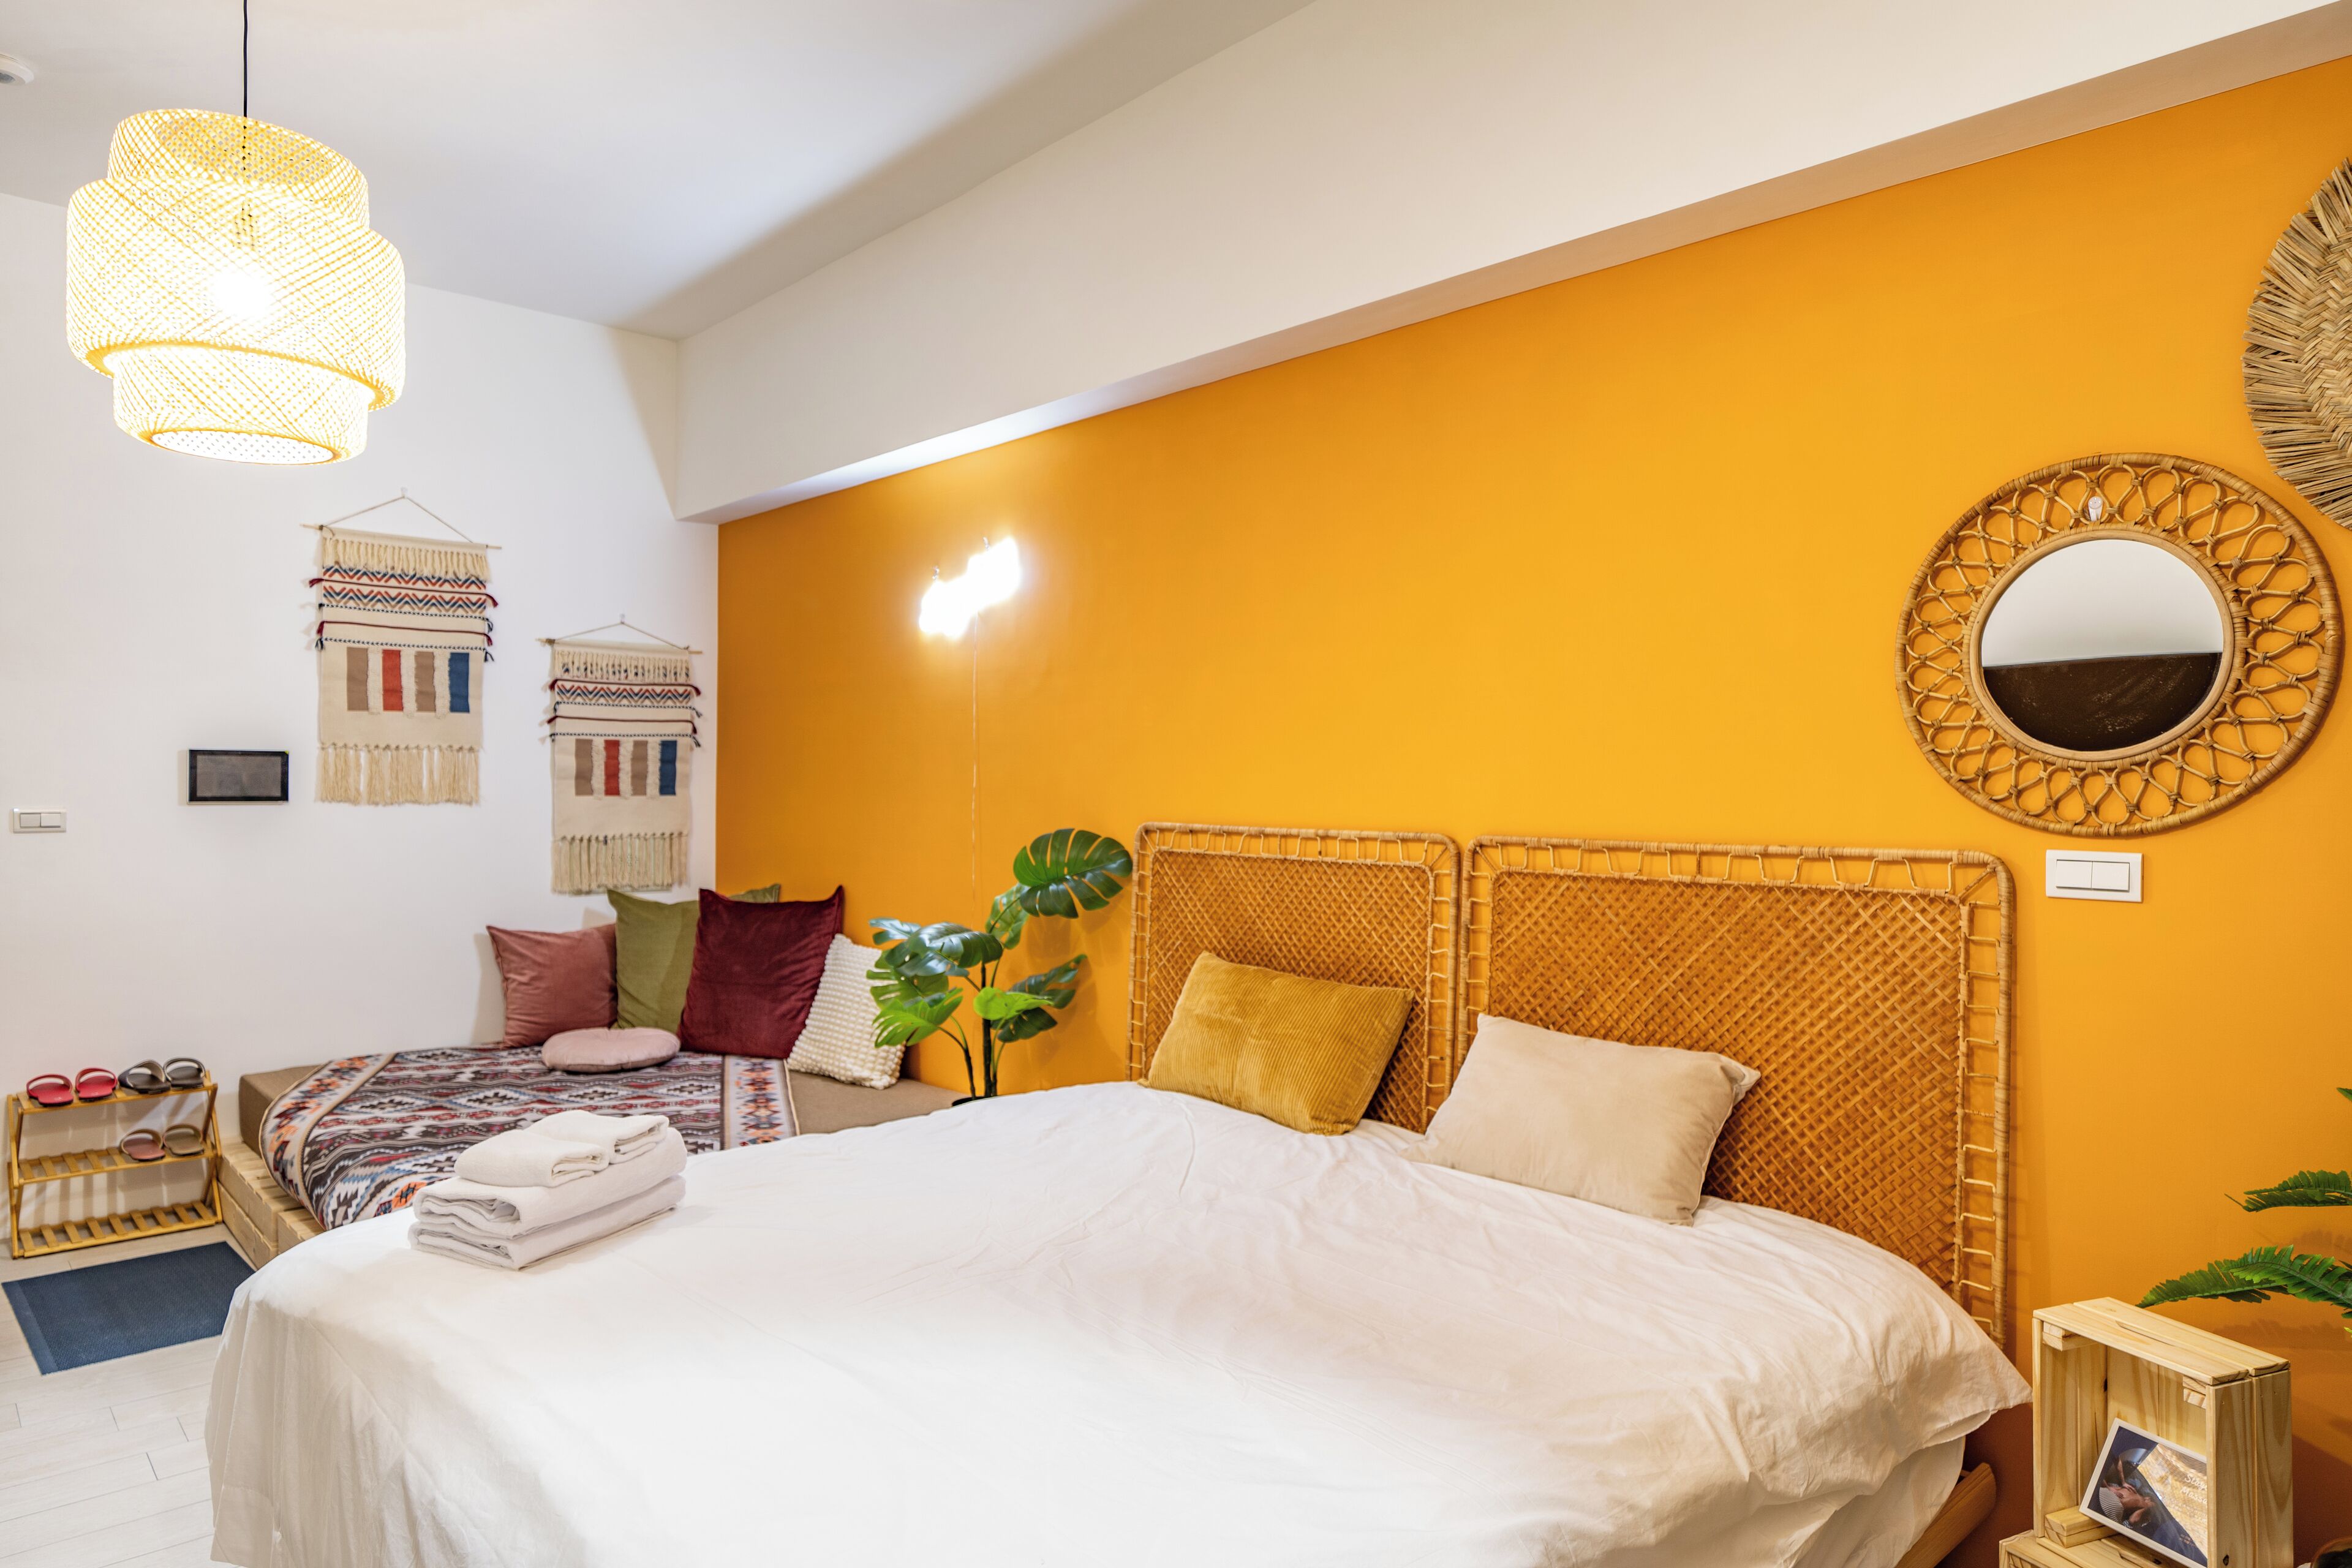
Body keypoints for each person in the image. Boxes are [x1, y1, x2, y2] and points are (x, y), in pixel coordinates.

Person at [2095, 1449, 2204, 1566]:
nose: (2130, 1489)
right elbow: (2112, 1457)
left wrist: (2132, 1520)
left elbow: (2115, 1458)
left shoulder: (2120, 1515)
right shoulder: (2112, 1489)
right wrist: (2113, 1485)